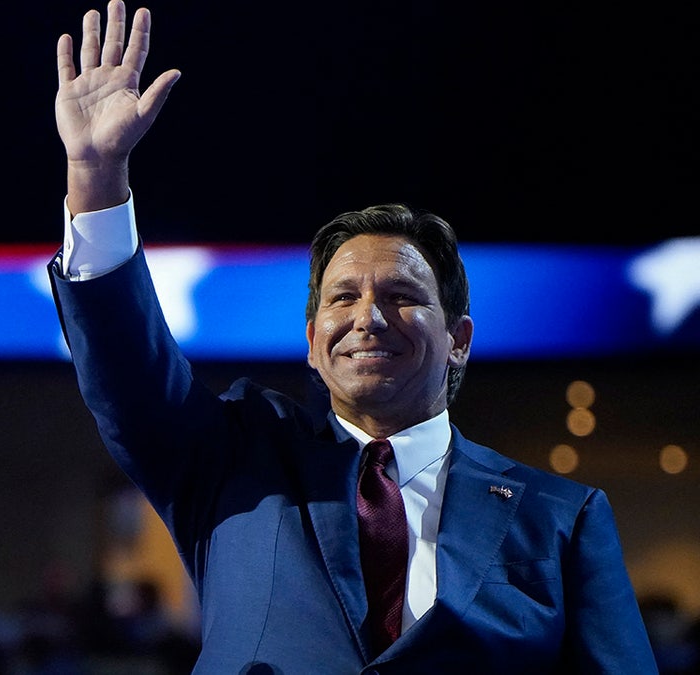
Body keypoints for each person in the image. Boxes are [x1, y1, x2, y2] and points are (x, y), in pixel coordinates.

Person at [45, 1, 659, 672]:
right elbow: (131, 376)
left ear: (458, 339)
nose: (368, 317)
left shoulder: (561, 516)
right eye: (344, 297)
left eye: (401, 296)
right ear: (313, 341)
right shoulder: (232, 461)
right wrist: (96, 179)